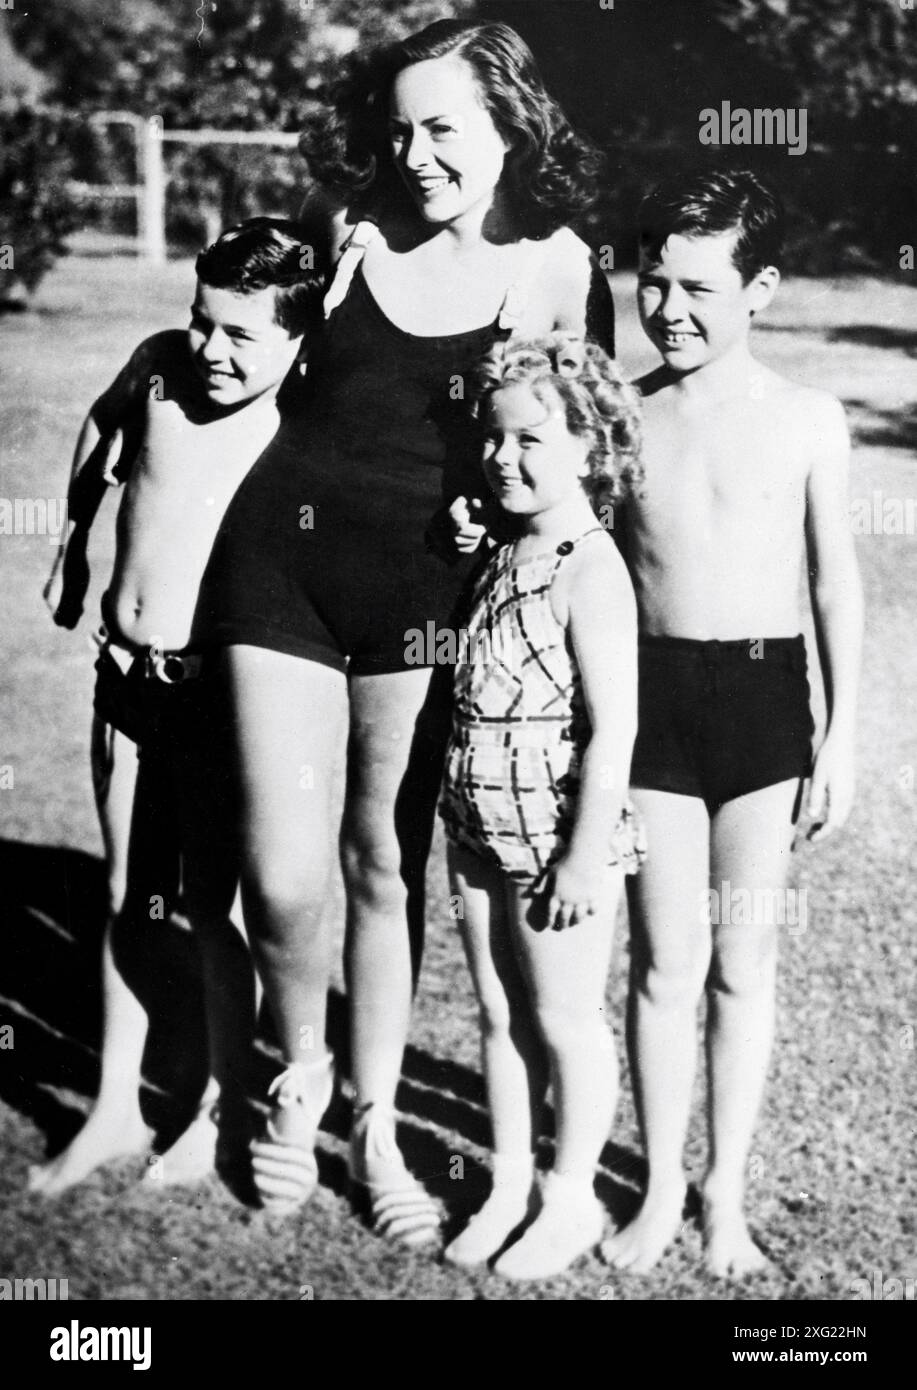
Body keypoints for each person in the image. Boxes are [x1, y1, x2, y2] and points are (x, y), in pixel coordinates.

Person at [200, 18, 616, 1242]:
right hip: (279, 559)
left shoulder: (551, 261)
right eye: (401, 128)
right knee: (281, 875)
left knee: (381, 864)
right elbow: (230, 352)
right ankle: (298, 1072)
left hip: (427, 594)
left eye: (445, 127)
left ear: (509, 126)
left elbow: (573, 445)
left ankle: (373, 1118)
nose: (417, 152)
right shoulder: (348, 232)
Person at [601, 170, 863, 1277]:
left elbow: (832, 582)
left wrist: (839, 731)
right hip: (649, 709)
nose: (669, 310)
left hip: (763, 713)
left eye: (698, 288)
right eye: (654, 283)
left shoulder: (807, 417)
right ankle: (658, 1186)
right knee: (663, 962)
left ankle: (724, 1195)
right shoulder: (617, 409)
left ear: (758, 289)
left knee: (740, 961)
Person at [31, 219, 324, 1196]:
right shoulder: (158, 367)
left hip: (223, 703)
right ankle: (116, 1105)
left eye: (243, 334)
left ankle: (206, 1107)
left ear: (295, 339)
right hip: (125, 682)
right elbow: (100, 429)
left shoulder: (301, 415)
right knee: (127, 896)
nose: (214, 350)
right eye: (205, 322)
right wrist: (71, 546)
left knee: (211, 912)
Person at [437, 334, 645, 1280]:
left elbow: (613, 731)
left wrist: (579, 853)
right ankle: (509, 1183)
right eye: (492, 438)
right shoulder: (501, 545)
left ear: (590, 445)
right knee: (495, 1008)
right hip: (475, 821)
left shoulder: (588, 569)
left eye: (531, 439)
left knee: (565, 1019)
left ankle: (571, 1197)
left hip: (558, 836)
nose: (503, 458)